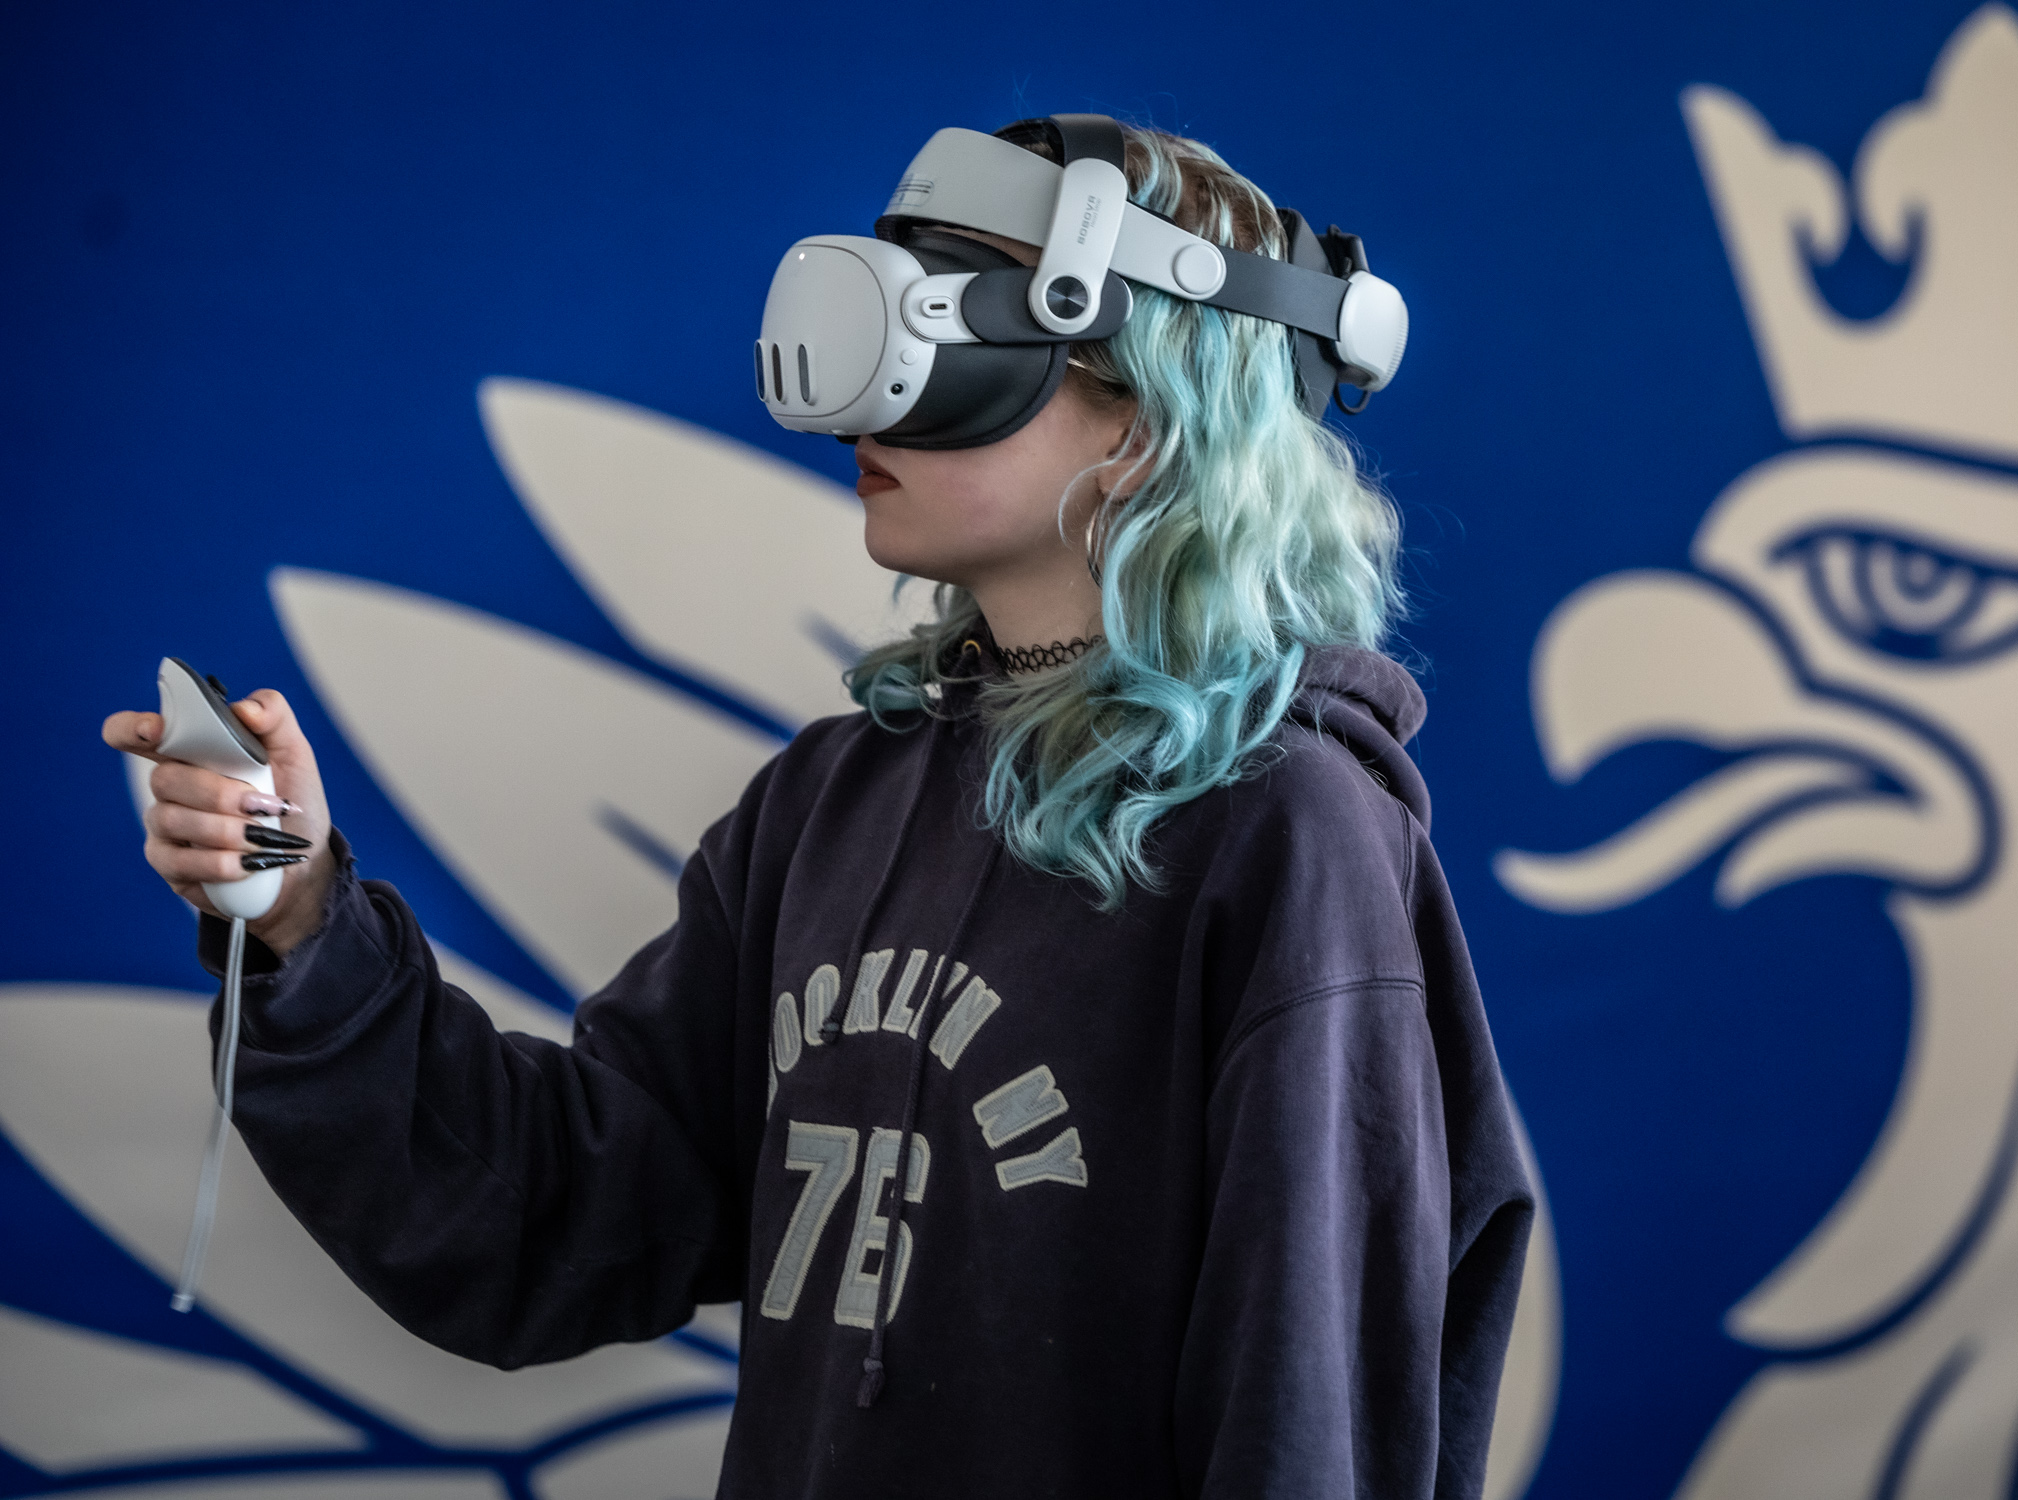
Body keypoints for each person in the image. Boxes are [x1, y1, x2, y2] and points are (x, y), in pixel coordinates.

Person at [105, 117, 1533, 1499]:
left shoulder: (1287, 833)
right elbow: (560, 1216)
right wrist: (301, 916)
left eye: (951, 338)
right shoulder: (830, 800)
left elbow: (1309, 1409)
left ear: (1147, 418)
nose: (869, 406)